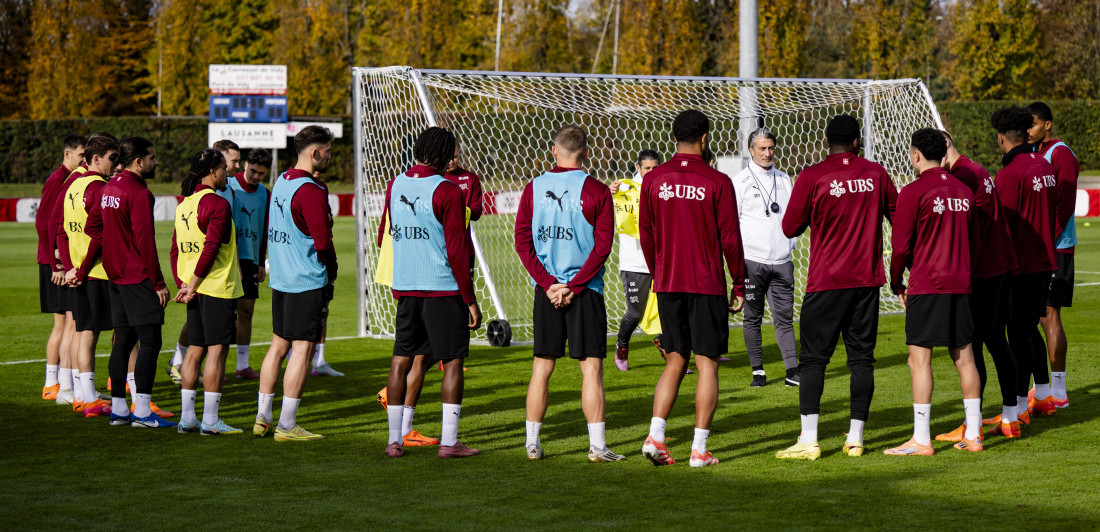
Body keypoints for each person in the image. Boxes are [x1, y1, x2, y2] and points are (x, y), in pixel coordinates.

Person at [776, 114, 897, 460]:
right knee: (861, 360)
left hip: (827, 282)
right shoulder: (876, 173)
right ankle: (855, 439)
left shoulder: (812, 176)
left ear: (827, 142)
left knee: (813, 361)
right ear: (857, 142)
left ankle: (809, 440)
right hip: (867, 282)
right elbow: (900, 216)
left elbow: (789, 227)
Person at [638, 109, 746, 468]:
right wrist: (739, 282)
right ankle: (699, 449)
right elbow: (730, 237)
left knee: (675, 359)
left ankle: (656, 436)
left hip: (668, 283)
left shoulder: (654, 179)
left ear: (674, 138)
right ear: (704, 138)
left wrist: (659, 272)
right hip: (706, 284)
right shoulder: (718, 181)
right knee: (707, 364)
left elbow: (646, 233)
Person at [514, 125, 621, 462]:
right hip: (585, 291)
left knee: (541, 368)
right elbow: (603, 247)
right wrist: (573, 287)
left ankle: (532, 444)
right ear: (586, 152)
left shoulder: (534, 188)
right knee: (591, 369)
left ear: (553, 151)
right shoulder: (597, 190)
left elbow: (522, 241)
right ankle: (597, 447)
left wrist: (548, 284)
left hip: (548, 292)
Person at [379, 126, 481, 459]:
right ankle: (449, 443)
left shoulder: (395, 184)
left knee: (401, 360)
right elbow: (457, 251)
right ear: (442, 154)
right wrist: (470, 300)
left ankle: (394, 441)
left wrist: (397, 283)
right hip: (442, 288)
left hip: (407, 288)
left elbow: (389, 236)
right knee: (452, 362)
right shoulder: (447, 190)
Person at [885, 128, 982, 456]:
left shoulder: (912, 192)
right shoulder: (964, 191)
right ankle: (974, 435)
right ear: (944, 153)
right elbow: (975, 243)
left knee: (919, 360)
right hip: (961, 284)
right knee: (965, 359)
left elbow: (901, 248)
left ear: (915, 155)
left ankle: (921, 439)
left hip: (927, 284)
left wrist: (896, 282)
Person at [934, 131, 1021, 441]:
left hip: (983, 271)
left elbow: (966, 231)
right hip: (999, 267)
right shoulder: (975, 168)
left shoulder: (962, 176)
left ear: (944, 149)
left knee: (972, 346)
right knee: (997, 340)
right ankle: (1010, 418)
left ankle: (974, 424)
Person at [253, 126, 337, 442]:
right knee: (302, 349)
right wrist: (332, 269)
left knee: (278, 346)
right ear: (314, 152)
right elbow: (322, 241)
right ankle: (287, 425)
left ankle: (263, 418)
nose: (330, 157)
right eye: (327, 152)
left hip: (283, 278)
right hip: (305, 279)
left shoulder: (282, 181)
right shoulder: (311, 190)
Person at [84, 136, 176, 428]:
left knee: (123, 340)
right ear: (138, 162)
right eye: (152, 158)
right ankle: (143, 412)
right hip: (138, 276)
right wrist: (158, 283)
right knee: (150, 341)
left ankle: (120, 411)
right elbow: (145, 241)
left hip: (115, 276)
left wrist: (114, 246)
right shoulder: (139, 192)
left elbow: (91, 225)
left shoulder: (109, 187)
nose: (156, 162)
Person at [988, 105, 1057, 427]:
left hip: (1019, 266)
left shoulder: (1010, 174)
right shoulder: (1044, 164)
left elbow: (1002, 226)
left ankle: (1016, 409)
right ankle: (1041, 396)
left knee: (1017, 336)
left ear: (1002, 137)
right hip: (1043, 260)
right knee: (1027, 331)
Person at [171, 149, 246, 435]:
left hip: (194, 289)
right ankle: (211, 421)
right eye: (224, 169)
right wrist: (193, 284)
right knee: (216, 351)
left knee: (194, 350)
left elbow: (175, 250)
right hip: (216, 287)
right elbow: (211, 248)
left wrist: (185, 284)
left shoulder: (184, 205)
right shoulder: (217, 203)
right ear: (212, 172)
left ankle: (187, 419)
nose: (227, 174)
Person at [730, 128, 799, 387]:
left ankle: (792, 371)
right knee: (752, 317)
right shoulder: (739, 182)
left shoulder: (783, 178)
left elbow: (791, 215)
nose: (767, 153)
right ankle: (758, 371)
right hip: (752, 262)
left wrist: (789, 246)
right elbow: (732, 224)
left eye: (771, 148)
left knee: (784, 318)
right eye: (762, 148)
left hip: (782, 262)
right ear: (751, 150)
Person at [58, 134, 118, 417]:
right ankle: (91, 399)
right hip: (96, 271)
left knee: (83, 333)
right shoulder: (99, 188)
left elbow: (62, 231)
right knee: (92, 334)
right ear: (97, 158)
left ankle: (84, 395)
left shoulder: (73, 185)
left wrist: (70, 267)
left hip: (79, 272)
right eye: (112, 158)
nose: (115, 164)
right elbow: (99, 235)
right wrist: (81, 269)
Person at [1027, 101, 1079, 411]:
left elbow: (1065, 205)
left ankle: (1058, 391)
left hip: (1056, 248)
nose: (1028, 129)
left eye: (1033, 124)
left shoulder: (1061, 154)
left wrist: (1046, 241)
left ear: (1047, 124)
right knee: (1033, 316)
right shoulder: (1034, 153)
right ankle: (1043, 388)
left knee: (1050, 316)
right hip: (1038, 249)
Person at [37, 134, 86, 404]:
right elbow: (44, 222)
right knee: (67, 324)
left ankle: (54, 384)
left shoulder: (69, 179)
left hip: (56, 261)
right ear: (68, 154)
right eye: (81, 155)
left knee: (65, 323)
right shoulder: (59, 180)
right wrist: (54, 263)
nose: (84, 160)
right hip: (55, 264)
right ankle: (57, 385)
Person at [220, 148, 272, 380]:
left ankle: (242, 365)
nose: (256, 176)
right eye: (253, 171)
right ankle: (213, 365)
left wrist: (261, 261)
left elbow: (263, 229)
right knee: (222, 314)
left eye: (261, 174)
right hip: (228, 258)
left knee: (246, 311)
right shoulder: (228, 185)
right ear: (245, 165)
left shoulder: (265, 194)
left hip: (250, 258)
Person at [608, 150, 660, 371]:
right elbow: (607, 210)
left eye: (655, 168)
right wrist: (609, 193)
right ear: (638, 168)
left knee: (668, 310)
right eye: (647, 168)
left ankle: (673, 353)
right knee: (636, 312)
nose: (651, 171)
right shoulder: (624, 189)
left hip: (661, 261)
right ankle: (622, 345)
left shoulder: (663, 188)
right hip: (634, 262)